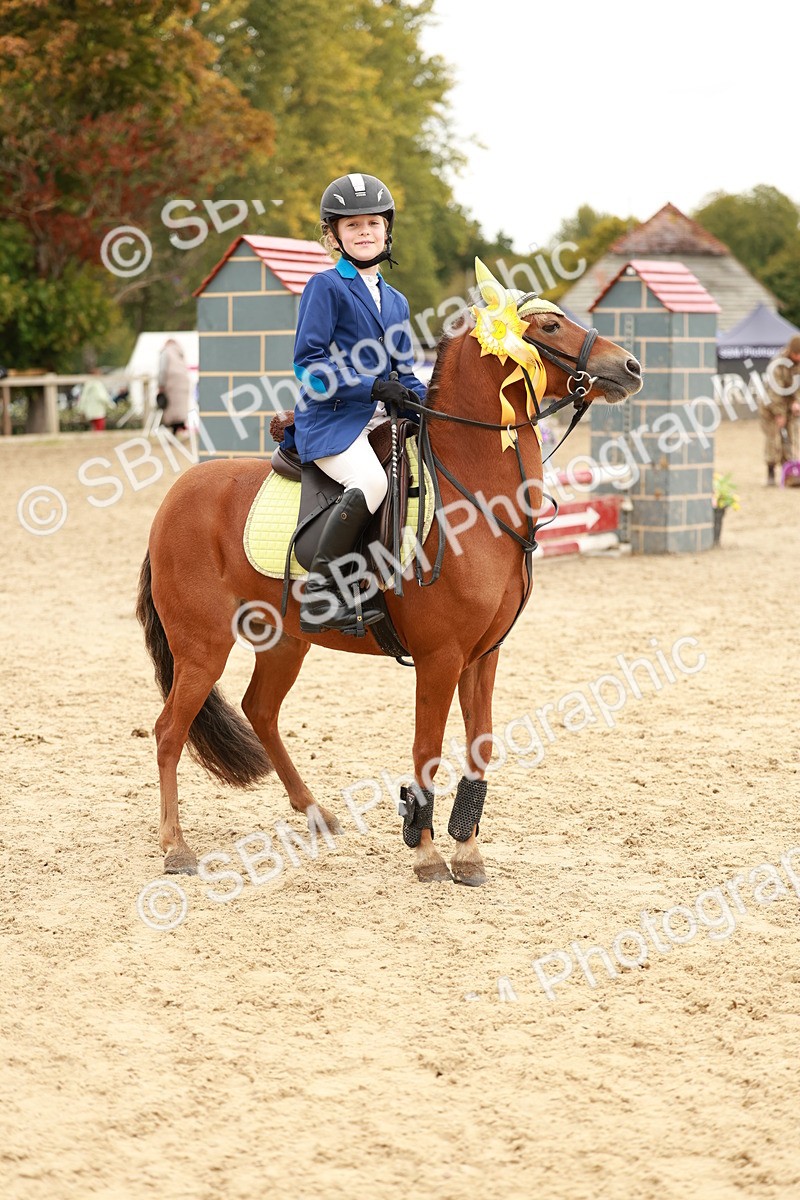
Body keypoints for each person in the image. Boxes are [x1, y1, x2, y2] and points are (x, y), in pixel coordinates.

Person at [292, 172, 426, 635]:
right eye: (352, 225)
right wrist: (368, 387)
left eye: (372, 223)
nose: (364, 232)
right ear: (334, 236)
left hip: (382, 421)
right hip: (333, 421)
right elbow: (307, 365)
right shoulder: (326, 286)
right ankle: (321, 594)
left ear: (387, 230)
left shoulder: (397, 301)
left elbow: (406, 374)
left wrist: (431, 405)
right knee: (371, 482)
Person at [762, 335, 800, 485]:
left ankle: (790, 473)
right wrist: (779, 413)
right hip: (771, 406)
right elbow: (774, 392)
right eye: (797, 354)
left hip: (791, 406)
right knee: (773, 438)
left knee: (792, 438)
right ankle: (771, 472)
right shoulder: (777, 364)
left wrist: (797, 401)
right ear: (791, 352)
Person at [157, 338, 190, 435]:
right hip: (183, 385)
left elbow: (162, 370)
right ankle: (179, 430)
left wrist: (161, 385)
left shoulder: (166, 352)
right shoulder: (179, 354)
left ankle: (172, 432)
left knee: (171, 411)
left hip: (170, 385)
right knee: (180, 411)